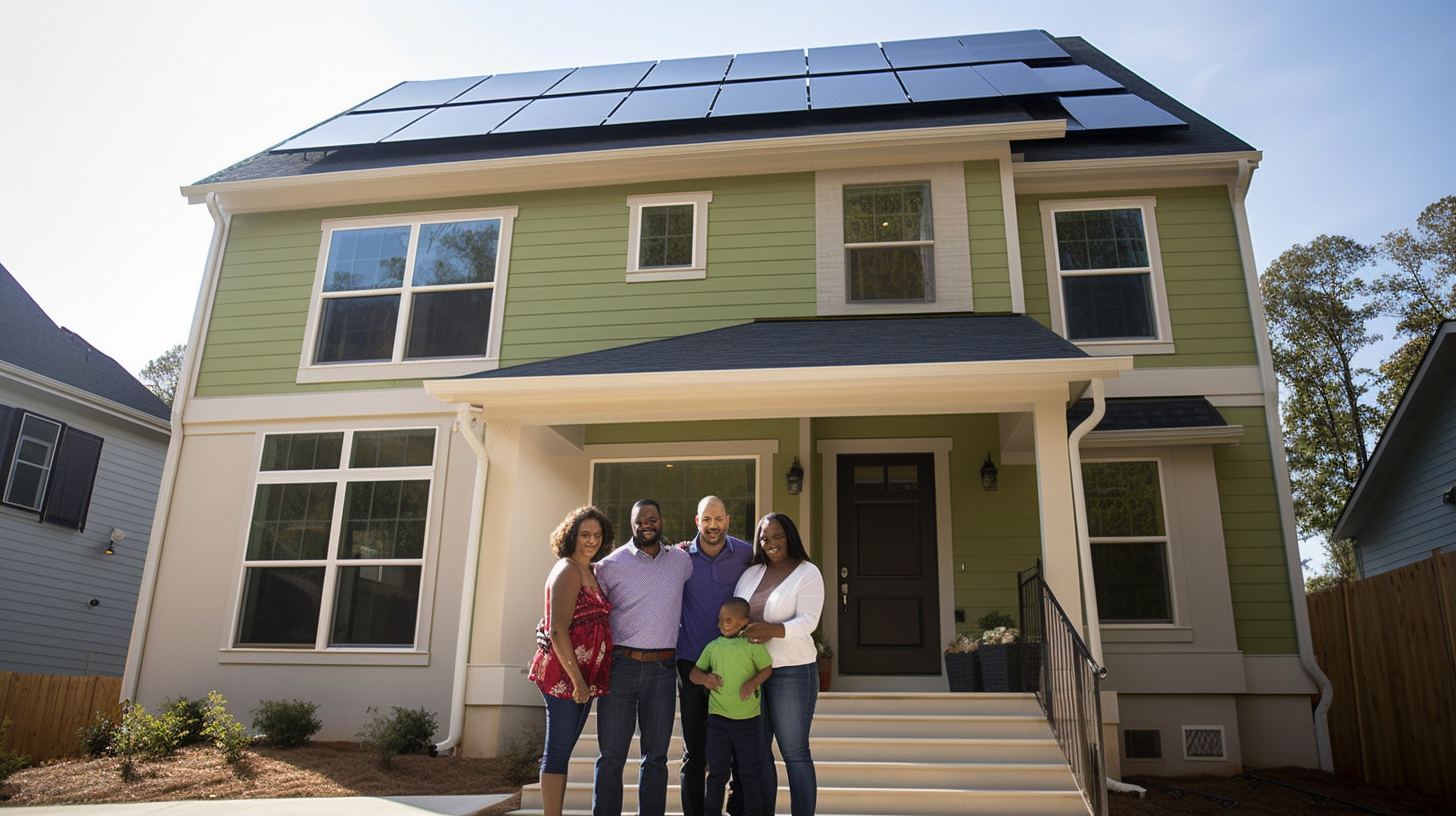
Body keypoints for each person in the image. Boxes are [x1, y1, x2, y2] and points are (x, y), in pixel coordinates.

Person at [592, 499, 693, 816]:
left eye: (652, 518)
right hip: (620, 667)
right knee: (611, 755)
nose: (646, 524)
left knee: (657, 756)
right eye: (639, 520)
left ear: (662, 521)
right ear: (631, 524)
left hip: (663, 670)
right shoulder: (609, 565)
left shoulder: (681, 560)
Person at [527, 505, 616, 816]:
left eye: (597, 535)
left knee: (563, 751)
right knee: (557, 751)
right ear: (571, 536)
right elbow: (556, 630)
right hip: (564, 675)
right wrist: (578, 681)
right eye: (584, 535)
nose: (591, 540)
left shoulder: (590, 570)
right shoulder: (566, 570)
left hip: (584, 677)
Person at [735, 512, 824, 816]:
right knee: (758, 754)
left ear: (790, 537)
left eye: (777, 536)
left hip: (793, 672)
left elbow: (809, 621)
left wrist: (773, 630)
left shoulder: (807, 572)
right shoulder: (750, 573)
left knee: (794, 752)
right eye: (764, 537)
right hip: (754, 674)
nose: (770, 543)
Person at [677, 495, 755, 816]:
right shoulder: (678, 558)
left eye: (718, 519)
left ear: (728, 519)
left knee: (737, 750)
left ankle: (737, 810)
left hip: (735, 664)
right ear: (697, 521)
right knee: (695, 751)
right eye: (706, 519)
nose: (713, 526)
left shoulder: (747, 554)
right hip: (692, 661)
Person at [690, 597, 773, 816]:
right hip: (718, 721)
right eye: (720, 620)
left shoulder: (752, 646)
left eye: (729, 620)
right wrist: (706, 679)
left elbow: (767, 669)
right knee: (717, 773)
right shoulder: (713, 647)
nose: (722, 624)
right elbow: (694, 673)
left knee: (749, 772)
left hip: (748, 722)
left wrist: (752, 683)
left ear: (744, 622)